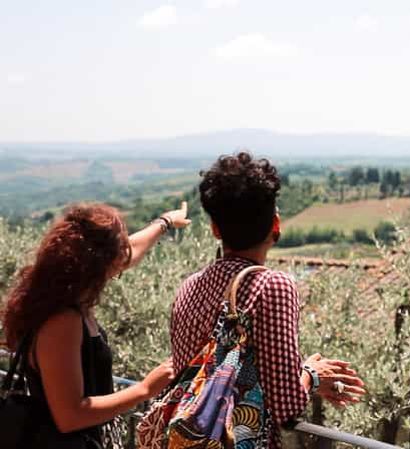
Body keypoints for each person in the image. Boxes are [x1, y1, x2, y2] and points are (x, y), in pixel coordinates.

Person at [170, 152, 366, 448]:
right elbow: (285, 406)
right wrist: (312, 374)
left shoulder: (189, 287)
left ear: (215, 229)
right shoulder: (272, 285)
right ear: (276, 224)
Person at [1, 202, 191, 448]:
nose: (125, 255)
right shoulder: (63, 322)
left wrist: (165, 221)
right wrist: (144, 389)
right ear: (101, 262)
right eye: (119, 249)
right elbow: (69, 416)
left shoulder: (67, 295)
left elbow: (131, 251)